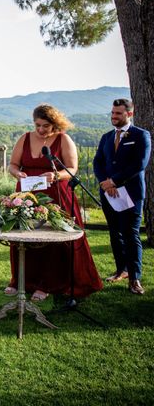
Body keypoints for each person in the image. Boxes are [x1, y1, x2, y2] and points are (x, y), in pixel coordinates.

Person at [6, 104, 103, 301]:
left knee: (51, 240)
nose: (41, 130)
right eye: (38, 125)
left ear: (54, 124)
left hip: (56, 195)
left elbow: (72, 168)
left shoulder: (63, 139)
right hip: (27, 196)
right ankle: (20, 281)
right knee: (23, 237)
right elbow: (13, 165)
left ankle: (47, 284)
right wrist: (17, 173)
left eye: (46, 126)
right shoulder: (24, 138)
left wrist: (55, 175)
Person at [93, 98, 152, 295]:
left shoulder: (141, 135)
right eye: (112, 113)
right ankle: (121, 270)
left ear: (129, 114)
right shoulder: (107, 137)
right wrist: (104, 182)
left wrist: (115, 181)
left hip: (131, 194)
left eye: (118, 113)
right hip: (108, 194)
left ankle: (135, 278)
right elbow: (98, 162)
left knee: (130, 234)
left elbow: (139, 165)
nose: (114, 116)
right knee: (114, 233)